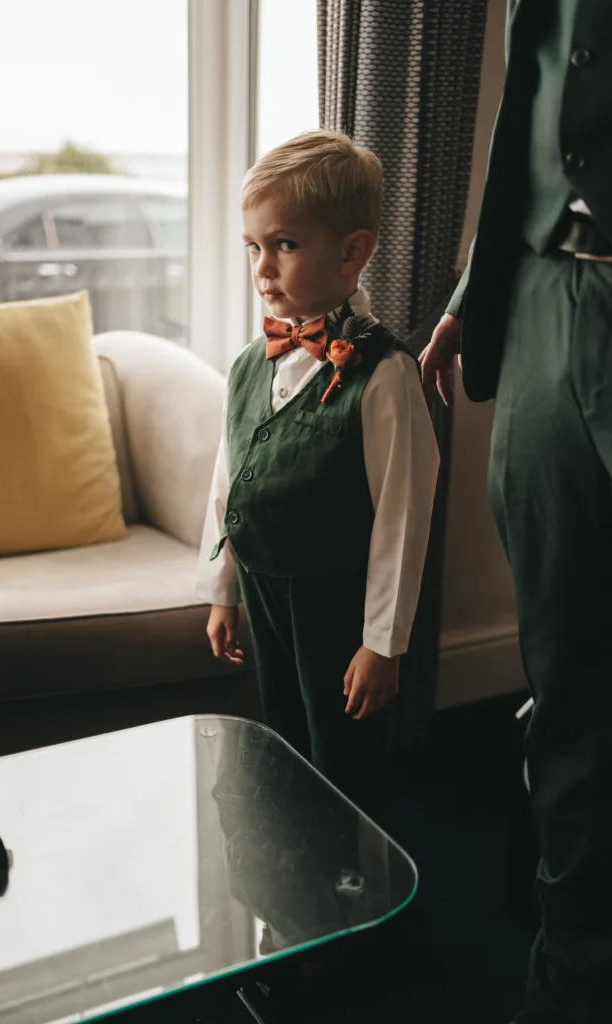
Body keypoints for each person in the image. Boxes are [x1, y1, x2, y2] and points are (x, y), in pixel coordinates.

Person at [420, 3, 612, 1021]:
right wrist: (474, 291)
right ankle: (570, 984)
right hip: (542, 302)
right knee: (566, 683)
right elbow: (532, 92)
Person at [195, 130, 439, 820]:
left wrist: (382, 642)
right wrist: (222, 591)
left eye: (285, 245)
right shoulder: (249, 363)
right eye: (253, 247)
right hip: (262, 588)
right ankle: (292, 859)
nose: (263, 268)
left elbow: (402, 516)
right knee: (281, 743)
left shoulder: (384, 373)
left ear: (352, 252)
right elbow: (228, 482)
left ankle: (353, 868)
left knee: (341, 754)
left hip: (333, 601)